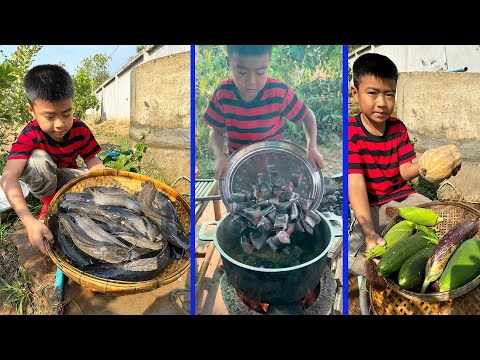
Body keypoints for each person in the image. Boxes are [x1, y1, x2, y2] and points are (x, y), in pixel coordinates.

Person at [0, 64, 106, 256]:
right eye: (49, 116)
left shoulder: (80, 129)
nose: (60, 124)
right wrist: (28, 220)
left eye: (67, 114)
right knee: (35, 161)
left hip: (70, 179)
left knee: (100, 178)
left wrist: (106, 183)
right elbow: (8, 177)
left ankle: (74, 202)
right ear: (31, 110)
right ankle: (50, 204)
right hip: (46, 183)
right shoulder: (29, 135)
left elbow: (94, 162)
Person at [347, 53, 432, 277]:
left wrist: (426, 166)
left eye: (389, 94)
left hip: (405, 197)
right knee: (358, 253)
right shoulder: (350, 132)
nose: (382, 103)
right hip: (372, 205)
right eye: (373, 93)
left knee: (437, 219)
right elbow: (354, 185)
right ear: (355, 93)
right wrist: (367, 232)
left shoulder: (398, 128)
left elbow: (406, 170)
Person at [202, 45, 325, 180]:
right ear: (228, 62)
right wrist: (220, 156)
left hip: (274, 166)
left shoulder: (279, 92)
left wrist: (312, 147)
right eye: (242, 72)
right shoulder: (223, 94)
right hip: (239, 167)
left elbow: (307, 117)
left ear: (268, 62)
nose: (252, 82)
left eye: (260, 72)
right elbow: (216, 131)